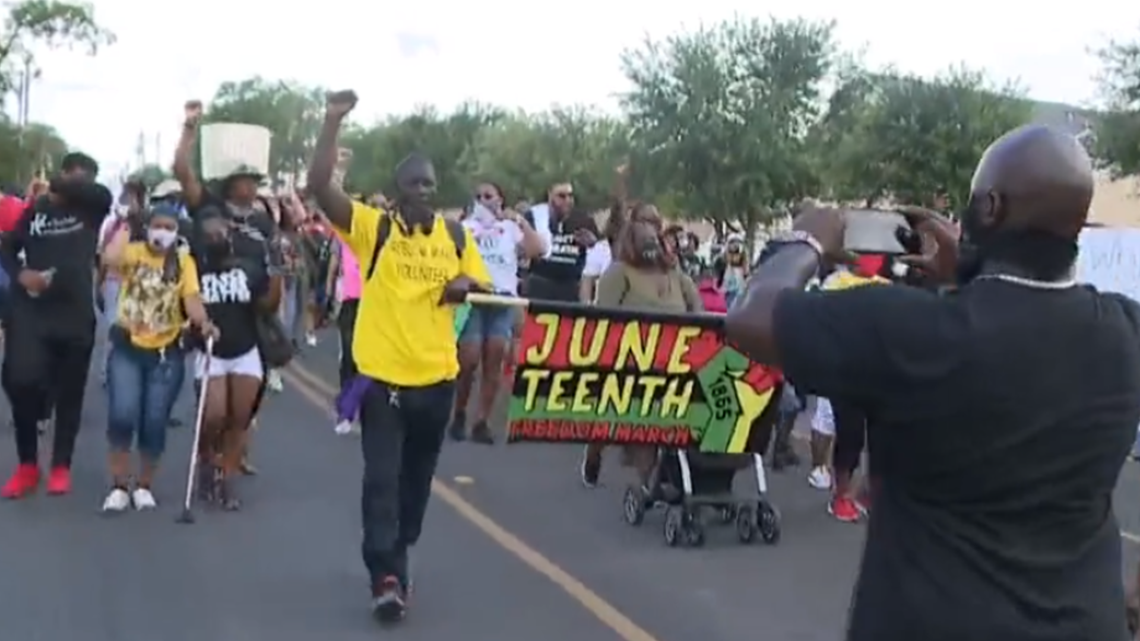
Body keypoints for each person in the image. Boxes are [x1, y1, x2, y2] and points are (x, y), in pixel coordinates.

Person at [725, 124, 1140, 641]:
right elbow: (1016, 323)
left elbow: (748, 318)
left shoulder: (910, 331)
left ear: (990, 209)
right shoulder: (1124, 332)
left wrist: (805, 239)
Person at [308, 89, 491, 623]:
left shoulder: (455, 236)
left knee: (415, 485)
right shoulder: (374, 228)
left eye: (431, 185)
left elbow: (479, 283)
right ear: (397, 191)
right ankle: (384, 575)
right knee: (381, 480)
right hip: (382, 383)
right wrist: (332, 121)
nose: (424, 193)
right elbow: (321, 186)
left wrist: (465, 284)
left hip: (437, 381)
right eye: (414, 185)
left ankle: (398, 552)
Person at [0, 152, 112, 498]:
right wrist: (21, 274)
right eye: (73, 178)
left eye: (84, 181)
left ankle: (61, 465)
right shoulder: (34, 212)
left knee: (69, 393)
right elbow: (6, 248)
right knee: (19, 380)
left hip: (75, 312)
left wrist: (57, 184)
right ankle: (28, 464)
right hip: (33, 311)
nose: (79, 187)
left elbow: (96, 193)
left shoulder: (92, 208)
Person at [580, 205, 703, 488]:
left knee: (652, 424)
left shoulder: (675, 274)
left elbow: (698, 309)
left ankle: (651, 483)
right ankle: (594, 453)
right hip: (630, 360)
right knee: (613, 420)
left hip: (671, 359)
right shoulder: (618, 272)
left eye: (655, 240)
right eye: (644, 240)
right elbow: (604, 319)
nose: (651, 246)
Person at [100, 207, 213, 511]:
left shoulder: (183, 262)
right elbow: (108, 259)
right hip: (127, 348)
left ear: (177, 231)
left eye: (169, 226)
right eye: (157, 225)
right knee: (122, 414)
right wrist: (126, 225)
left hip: (166, 353)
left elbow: (191, 299)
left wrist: (204, 322)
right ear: (147, 228)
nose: (162, 231)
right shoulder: (133, 252)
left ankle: (144, 486)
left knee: (154, 420)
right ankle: (119, 486)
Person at [192, 207, 280, 509]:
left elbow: (267, 304)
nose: (216, 238)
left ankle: (226, 479)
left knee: (239, 418)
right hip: (211, 351)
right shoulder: (194, 268)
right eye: (210, 234)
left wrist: (278, 271)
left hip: (245, 351)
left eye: (221, 233)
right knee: (215, 413)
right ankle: (206, 456)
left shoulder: (247, 267)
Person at [449, 183, 544, 443]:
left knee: (495, 359)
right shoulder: (467, 227)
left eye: (488, 196)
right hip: (474, 300)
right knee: (468, 360)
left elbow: (537, 250)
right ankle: (459, 413)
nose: (483, 201)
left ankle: (482, 421)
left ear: (500, 199)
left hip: (502, 300)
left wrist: (519, 220)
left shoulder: (510, 228)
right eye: (478, 196)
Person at [522, 182, 599, 302]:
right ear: (549, 196)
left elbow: (595, 249)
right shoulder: (536, 216)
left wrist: (592, 243)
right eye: (561, 196)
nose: (567, 200)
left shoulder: (583, 219)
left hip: (571, 285)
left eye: (570, 196)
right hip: (541, 283)